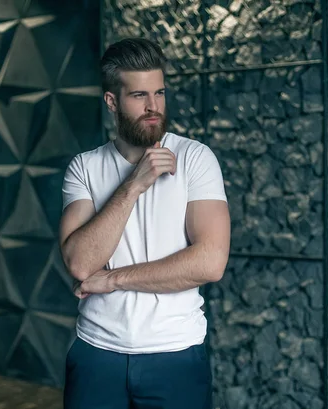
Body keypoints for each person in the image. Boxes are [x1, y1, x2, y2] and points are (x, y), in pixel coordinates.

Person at [59, 37, 231, 409]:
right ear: (112, 101)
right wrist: (134, 184)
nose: (154, 107)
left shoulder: (195, 158)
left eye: (159, 93)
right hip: (96, 355)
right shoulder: (85, 167)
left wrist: (113, 279)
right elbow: (80, 264)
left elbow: (210, 262)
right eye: (139, 95)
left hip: (175, 356)